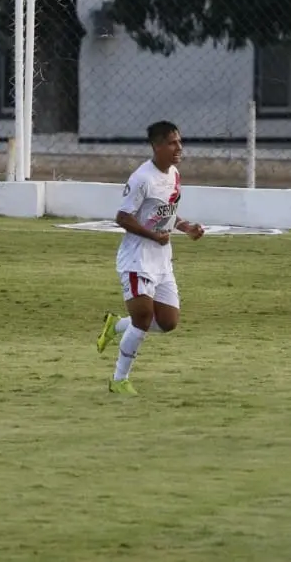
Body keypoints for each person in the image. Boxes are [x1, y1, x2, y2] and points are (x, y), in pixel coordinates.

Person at [95, 120, 205, 395]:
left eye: (179, 142)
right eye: (172, 143)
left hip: (161, 261)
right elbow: (123, 217)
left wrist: (186, 227)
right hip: (137, 259)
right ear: (156, 146)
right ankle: (119, 380)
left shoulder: (174, 175)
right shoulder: (141, 178)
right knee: (143, 319)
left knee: (168, 322)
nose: (179, 147)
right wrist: (153, 236)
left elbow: (167, 213)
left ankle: (116, 325)